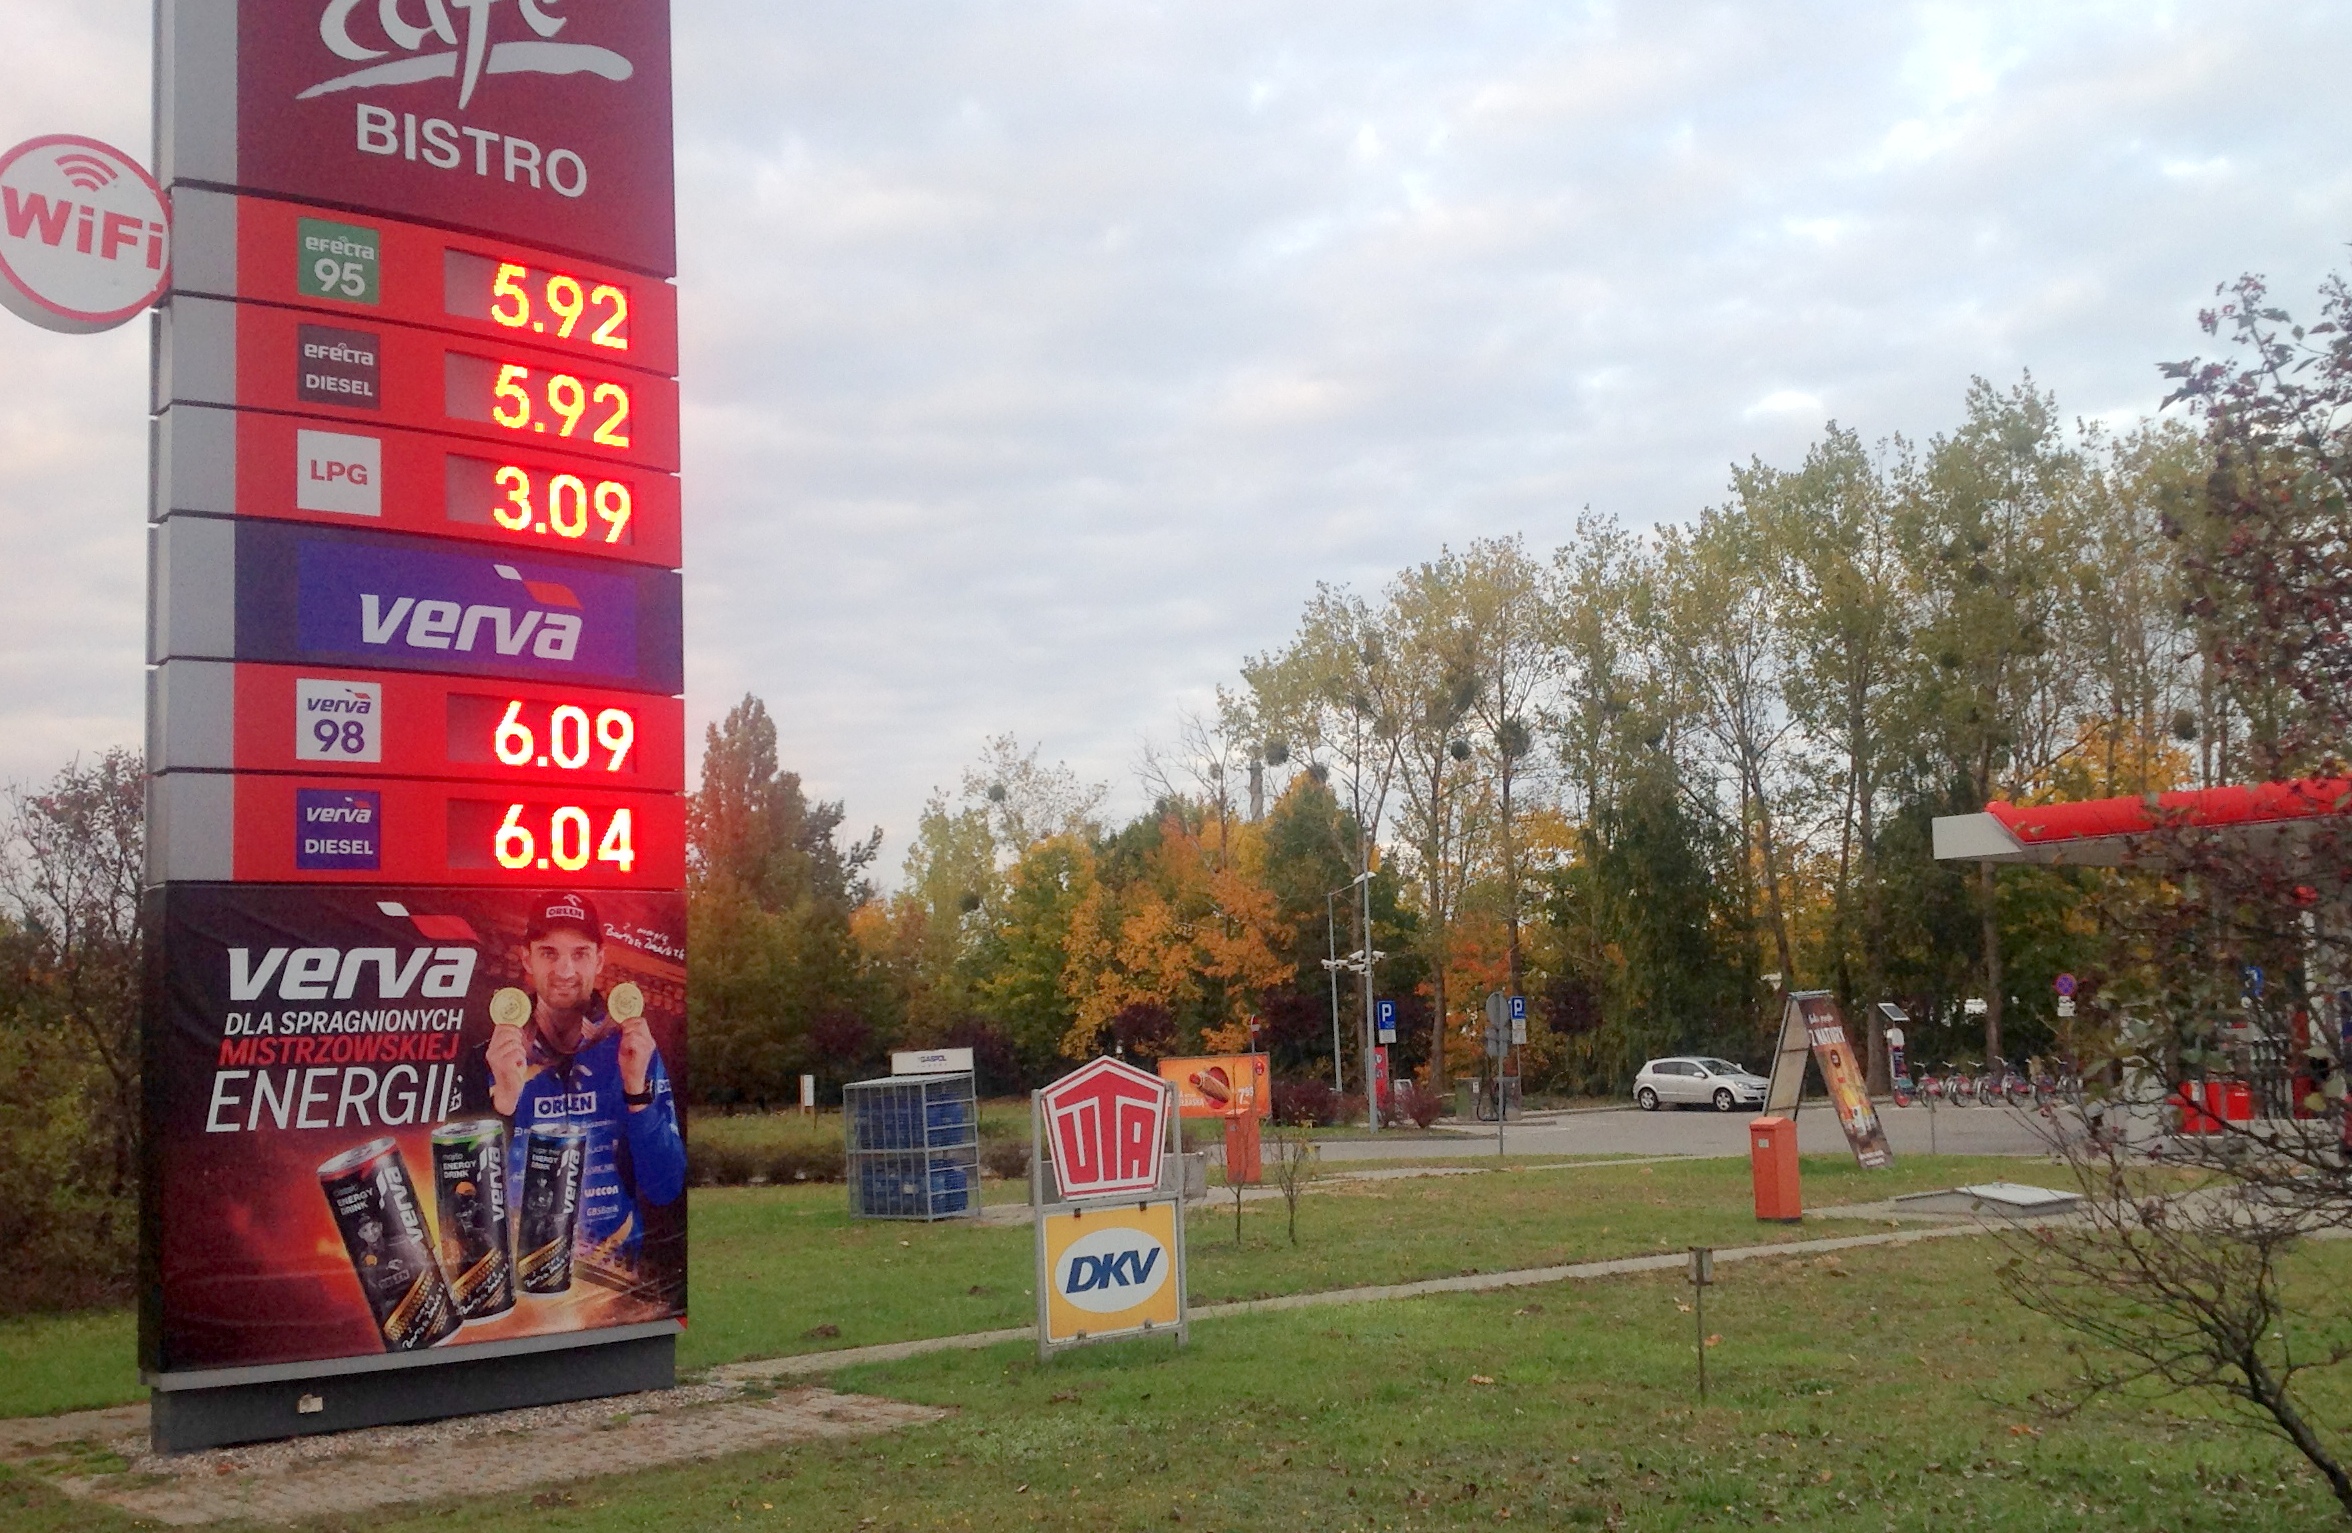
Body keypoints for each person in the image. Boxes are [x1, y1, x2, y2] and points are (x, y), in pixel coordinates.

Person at [461, 892, 685, 1291]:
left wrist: (636, 1093)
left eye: (580, 953)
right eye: (549, 953)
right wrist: (503, 1105)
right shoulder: (487, 1058)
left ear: (600, 959)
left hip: (614, 1289)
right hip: (519, 1291)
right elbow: (466, 1204)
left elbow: (665, 1188)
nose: (565, 970)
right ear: (526, 958)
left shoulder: (634, 1050)